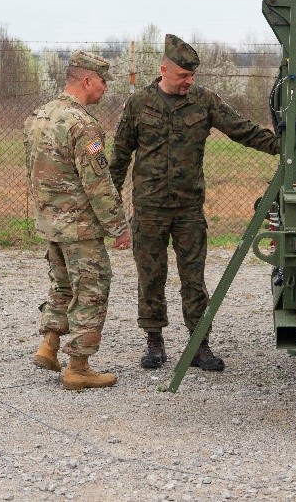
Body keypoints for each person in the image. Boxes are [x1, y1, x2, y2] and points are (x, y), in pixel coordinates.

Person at [110, 34, 280, 371]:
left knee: (194, 277)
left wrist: (283, 147)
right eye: (183, 76)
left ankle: (199, 344)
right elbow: (119, 158)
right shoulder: (139, 104)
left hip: (188, 209)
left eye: (192, 76)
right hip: (149, 208)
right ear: (164, 70)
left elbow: (242, 130)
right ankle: (154, 343)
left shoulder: (204, 101)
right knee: (151, 276)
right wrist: (111, 209)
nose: (189, 81)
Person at [25, 50, 132, 390]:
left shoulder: (39, 116)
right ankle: (78, 367)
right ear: (87, 81)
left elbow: (35, 173)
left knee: (62, 285)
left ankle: (49, 345)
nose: (105, 88)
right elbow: (98, 183)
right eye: (102, 81)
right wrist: (118, 226)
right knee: (92, 289)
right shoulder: (83, 125)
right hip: (79, 226)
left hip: (51, 222)